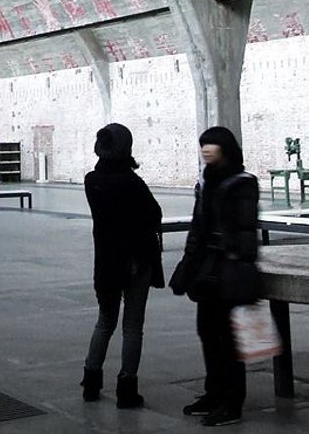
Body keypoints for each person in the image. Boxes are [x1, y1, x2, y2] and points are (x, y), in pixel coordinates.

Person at [170, 126, 260, 427]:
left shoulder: (242, 183)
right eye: (203, 144)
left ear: (226, 148)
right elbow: (198, 228)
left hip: (230, 270)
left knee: (229, 338)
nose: (206, 149)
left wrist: (231, 252)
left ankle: (232, 403)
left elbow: (243, 230)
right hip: (209, 269)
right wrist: (187, 266)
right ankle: (214, 392)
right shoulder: (207, 182)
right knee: (207, 331)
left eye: (212, 144)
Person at [80, 123, 163, 409]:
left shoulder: (92, 181)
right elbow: (154, 215)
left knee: (105, 321)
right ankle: (126, 388)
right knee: (133, 326)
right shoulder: (132, 183)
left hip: (106, 263)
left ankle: (91, 381)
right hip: (136, 262)